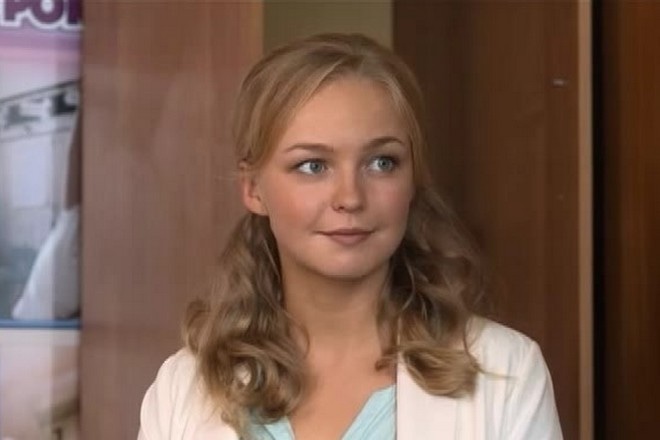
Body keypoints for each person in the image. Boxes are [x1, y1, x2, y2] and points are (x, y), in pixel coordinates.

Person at [138, 33, 562, 440]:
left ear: (412, 180)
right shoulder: (182, 388)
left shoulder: (507, 372)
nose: (350, 198)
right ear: (253, 189)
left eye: (381, 163)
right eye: (313, 166)